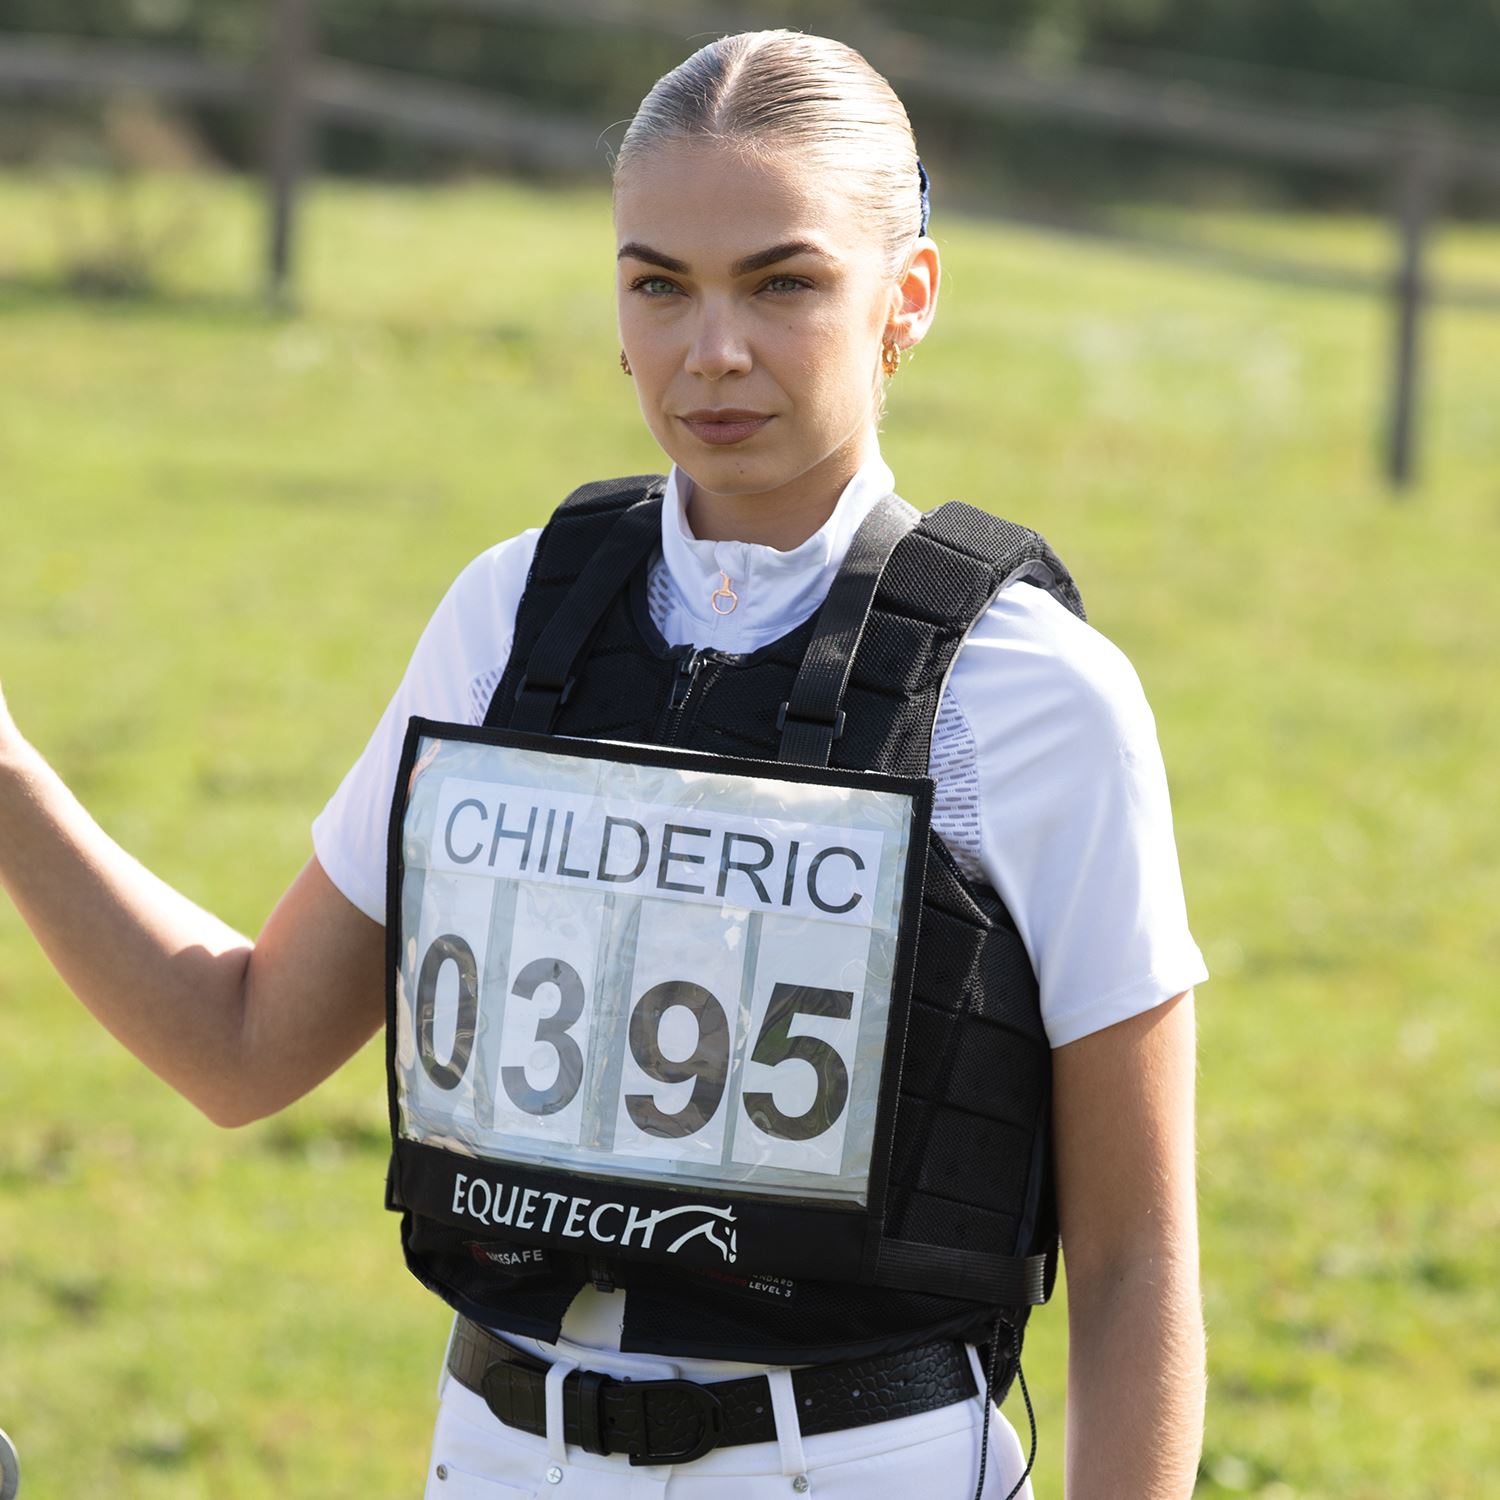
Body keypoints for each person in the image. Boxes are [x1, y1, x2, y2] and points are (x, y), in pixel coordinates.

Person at [0, 29, 1208, 1500]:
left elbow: (1137, 1257)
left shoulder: (1035, 693)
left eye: (784, 283)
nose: (714, 350)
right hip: (498, 1458)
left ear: (908, 297)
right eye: (660, 284)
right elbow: (242, 1043)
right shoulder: (509, 613)